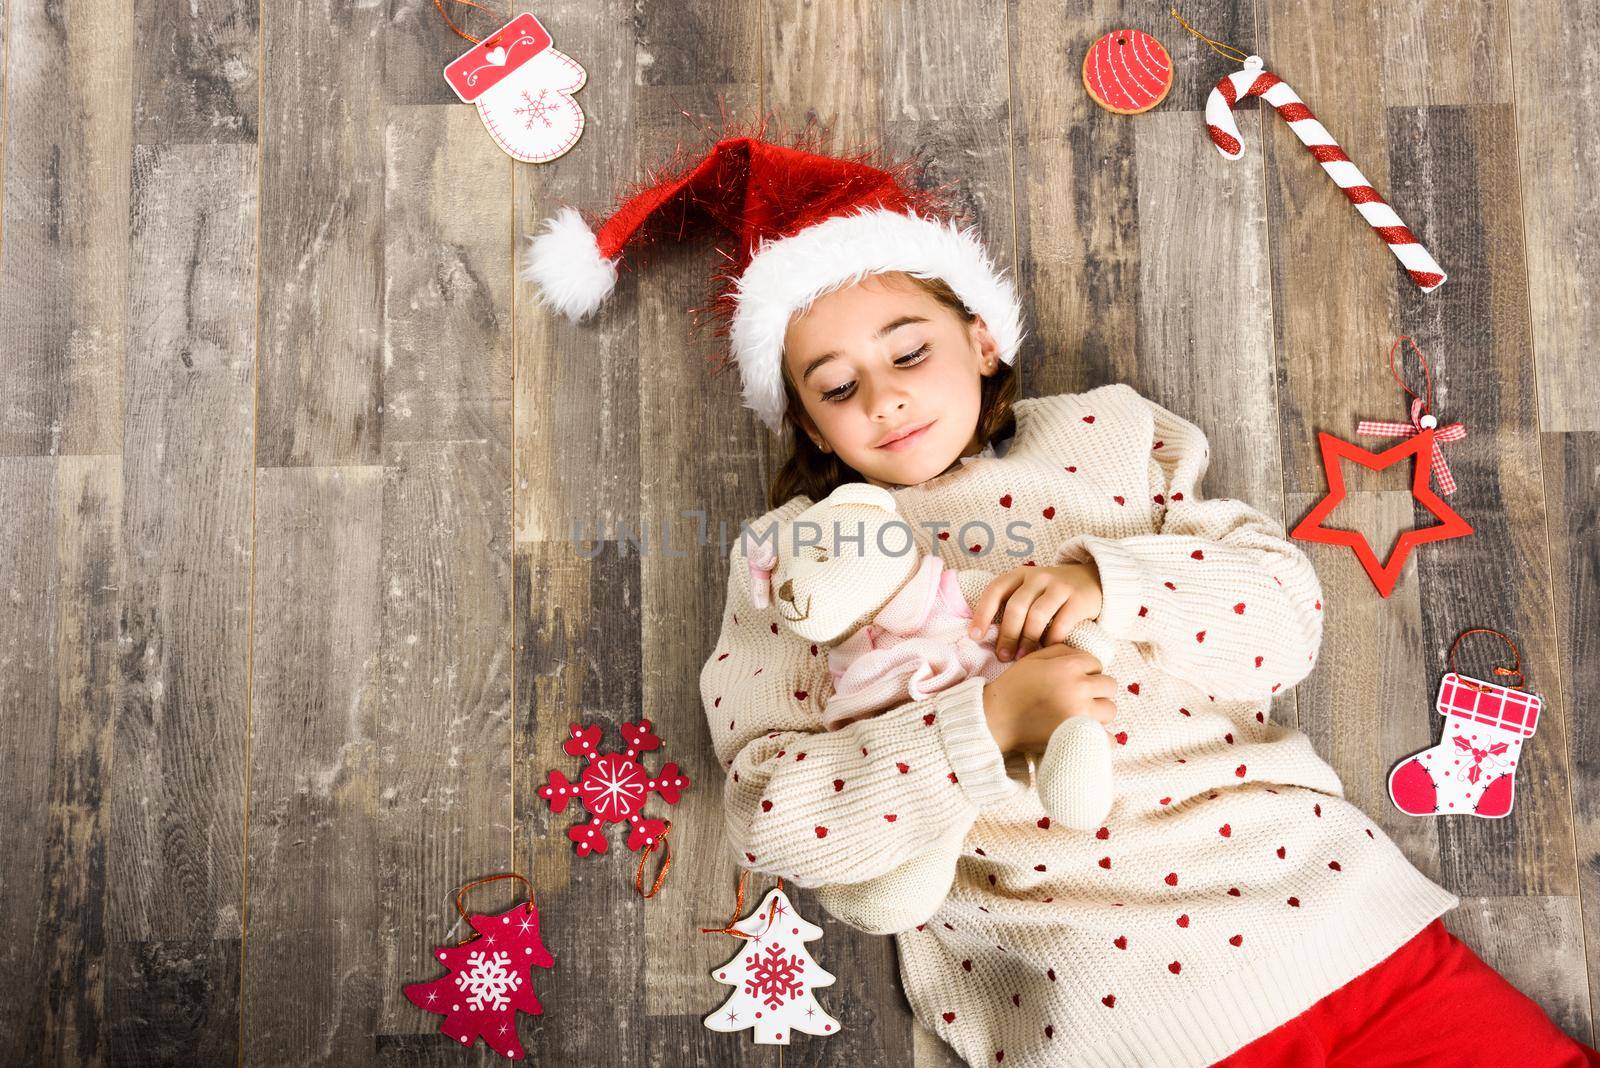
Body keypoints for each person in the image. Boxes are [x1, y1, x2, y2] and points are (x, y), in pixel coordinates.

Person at [524, 125, 1600, 1068]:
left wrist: (1106, 583)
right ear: (807, 425)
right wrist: (978, 726)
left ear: (981, 339)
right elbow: (777, 820)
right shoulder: (796, 562)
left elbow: (1283, 619)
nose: (886, 395)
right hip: (1093, 1012)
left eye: (909, 351)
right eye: (839, 387)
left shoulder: (1103, 438)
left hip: (1334, 936)